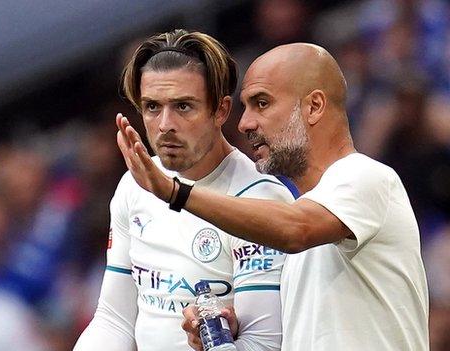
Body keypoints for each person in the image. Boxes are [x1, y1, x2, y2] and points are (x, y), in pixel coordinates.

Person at [116, 42, 429, 350]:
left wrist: (175, 192)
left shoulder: (366, 177)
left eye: (261, 103)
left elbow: (295, 229)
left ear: (314, 106)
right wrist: (226, 337)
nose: (245, 123)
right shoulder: (305, 232)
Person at [74, 29, 294, 351]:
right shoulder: (134, 186)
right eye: (152, 107)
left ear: (220, 110)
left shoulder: (260, 199)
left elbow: (262, 345)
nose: (165, 125)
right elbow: (114, 319)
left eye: (183, 106)